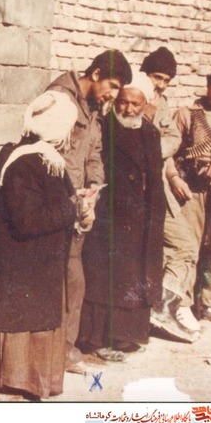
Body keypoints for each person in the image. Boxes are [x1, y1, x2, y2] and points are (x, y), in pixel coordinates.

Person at [0, 91, 78, 401]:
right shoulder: (27, 162)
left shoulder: (44, 157)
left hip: (36, 265)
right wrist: (72, 207)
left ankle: (22, 384)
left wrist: (78, 208)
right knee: (17, 325)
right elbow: (27, 220)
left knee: (28, 322)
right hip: (21, 265)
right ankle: (3, 386)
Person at [46, 49, 132, 374]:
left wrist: (94, 188)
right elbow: (50, 154)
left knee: (74, 280)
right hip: (56, 202)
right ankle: (53, 351)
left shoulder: (94, 107)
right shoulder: (60, 98)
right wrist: (71, 196)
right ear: (96, 74)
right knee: (61, 279)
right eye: (113, 85)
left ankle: (64, 349)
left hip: (78, 205)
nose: (113, 95)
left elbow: (94, 153)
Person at [79, 70, 166, 362]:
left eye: (135, 104)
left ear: (145, 104)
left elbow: (154, 175)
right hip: (109, 215)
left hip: (139, 217)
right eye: (123, 102)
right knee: (104, 278)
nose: (128, 109)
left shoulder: (150, 133)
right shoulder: (104, 127)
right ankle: (97, 339)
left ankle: (126, 336)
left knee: (132, 276)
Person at [140, 48, 200, 343]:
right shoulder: (128, 98)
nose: (161, 85)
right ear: (144, 74)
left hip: (159, 189)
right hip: (134, 192)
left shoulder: (161, 103)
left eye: (166, 80)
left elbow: (173, 137)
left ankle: (164, 306)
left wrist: (168, 170)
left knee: (185, 246)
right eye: (157, 77)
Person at [164, 64, 211, 328]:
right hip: (191, 186)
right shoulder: (187, 114)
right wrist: (174, 178)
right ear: (208, 82)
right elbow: (168, 150)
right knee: (187, 246)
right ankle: (182, 303)